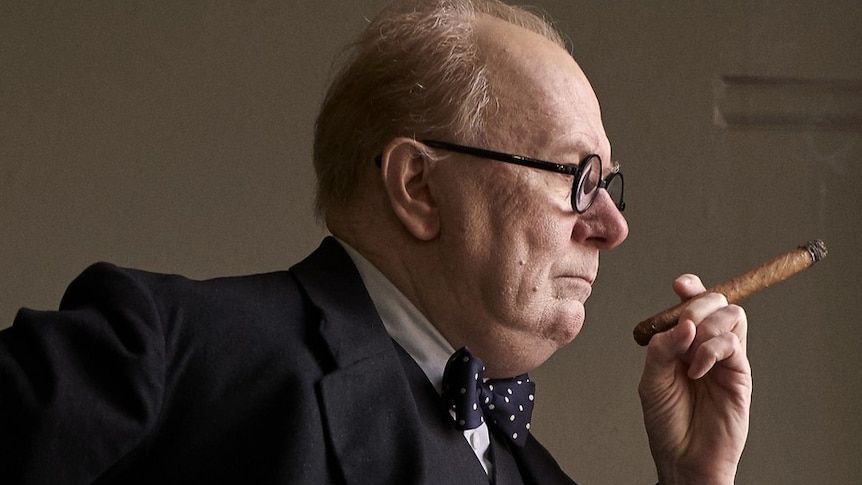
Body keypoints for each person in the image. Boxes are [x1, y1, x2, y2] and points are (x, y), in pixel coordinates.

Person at [0, 0, 751, 483]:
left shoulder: (537, 472)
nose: (612, 227)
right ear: (418, 187)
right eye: (575, 176)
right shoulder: (165, 351)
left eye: (608, 185)